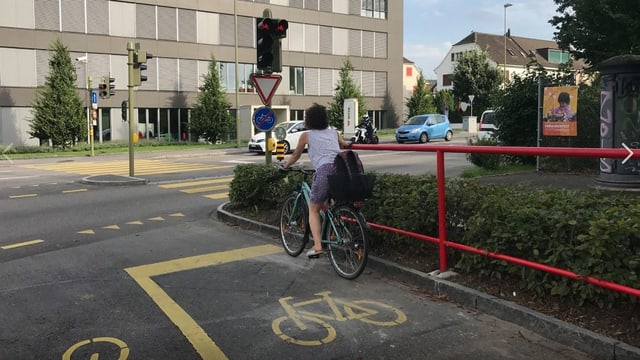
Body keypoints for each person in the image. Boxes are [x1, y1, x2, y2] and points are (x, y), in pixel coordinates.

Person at [282, 103, 351, 258]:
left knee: (313, 209)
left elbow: (295, 156)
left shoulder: (307, 135)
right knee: (326, 204)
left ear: (309, 120)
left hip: (325, 170)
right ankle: (332, 231)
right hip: (341, 169)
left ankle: (318, 246)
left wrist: (286, 165)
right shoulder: (334, 132)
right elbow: (344, 144)